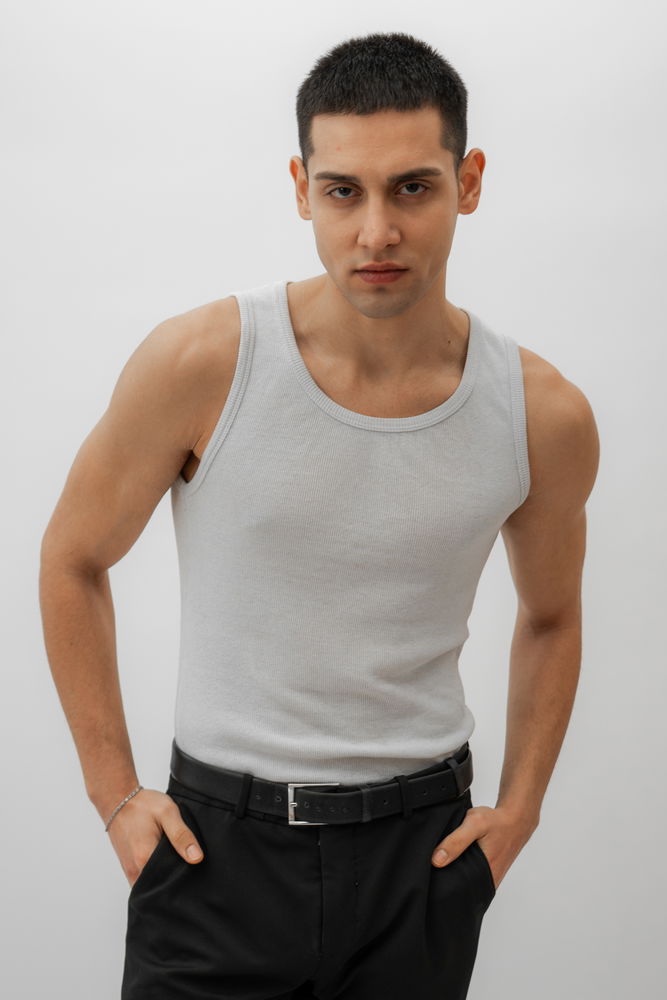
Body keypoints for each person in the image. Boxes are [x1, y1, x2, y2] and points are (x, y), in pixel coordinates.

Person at [39, 30, 600, 1000]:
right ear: (301, 188)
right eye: (344, 191)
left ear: (467, 182)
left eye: (412, 188)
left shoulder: (539, 412)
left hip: (419, 858)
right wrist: (115, 794)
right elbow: (72, 558)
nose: (376, 232)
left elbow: (551, 615)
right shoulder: (203, 363)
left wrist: (518, 812)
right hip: (215, 851)